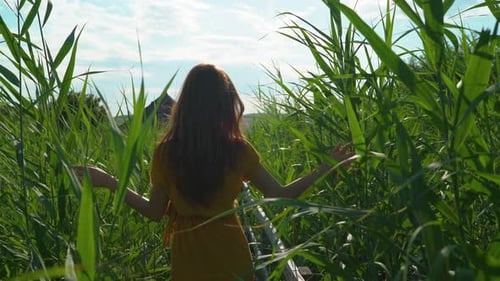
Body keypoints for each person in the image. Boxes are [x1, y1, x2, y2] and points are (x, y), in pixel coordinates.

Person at [73, 63, 353, 281]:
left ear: (186, 104)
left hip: (188, 263)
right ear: (225, 105)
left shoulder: (167, 153)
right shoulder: (237, 151)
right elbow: (280, 194)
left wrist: (108, 181)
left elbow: (154, 213)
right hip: (232, 258)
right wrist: (325, 169)